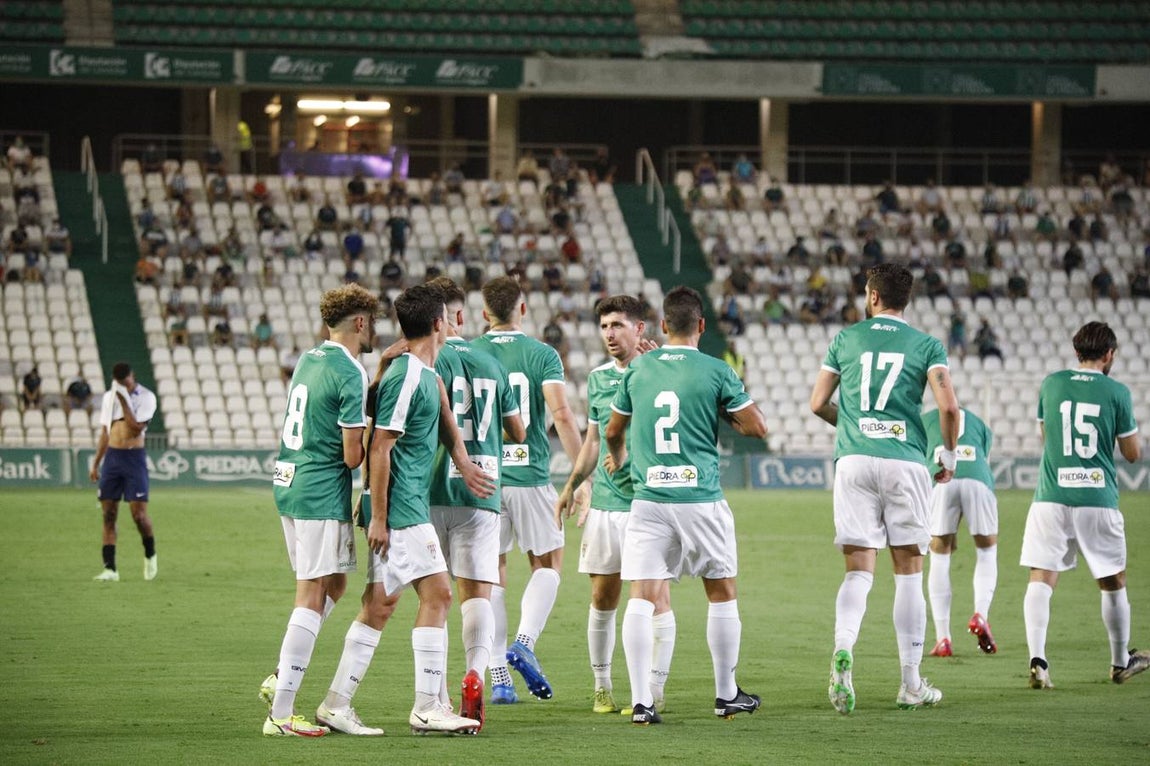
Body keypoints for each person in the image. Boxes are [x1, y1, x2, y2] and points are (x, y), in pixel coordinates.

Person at [312, 283, 495, 736]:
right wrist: (378, 516)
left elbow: (446, 419)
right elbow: (380, 448)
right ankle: (428, 706)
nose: (454, 323)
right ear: (440, 324)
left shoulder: (423, 374)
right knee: (439, 596)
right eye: (450, 317)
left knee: (380, 603)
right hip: (401, 508)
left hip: (397, 505)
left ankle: (336, 703)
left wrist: (464, 462)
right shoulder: (409, 374)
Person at [604, 286, 766, 725]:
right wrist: (721, 410)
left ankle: (641, 703)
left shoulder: (637, 371)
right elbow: (757, 428)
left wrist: (618, 460)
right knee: (721, 590)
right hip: (700, 499)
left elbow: (613, 431)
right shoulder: (715, 370)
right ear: (701, 325)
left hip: (649, 499)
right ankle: (726, 693)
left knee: (640, 596)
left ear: (661, 326)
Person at [809, 263, 961, 714]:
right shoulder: (926, 345)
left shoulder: (846, 339)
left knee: (858, 571)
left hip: (854, 461)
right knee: (909, 571)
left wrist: (853, 428)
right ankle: (911, 683)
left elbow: (817, 403)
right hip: (906, 462)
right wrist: (947, 455)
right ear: (905, 300)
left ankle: (843, 651)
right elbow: (949, 407)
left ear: (872, 296)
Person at [259, 284, 378, 737]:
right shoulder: (350, 371)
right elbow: (352, 456)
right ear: (361, 322)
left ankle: (281, 673)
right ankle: (282, 713)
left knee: (335, 583)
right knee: (310, 593)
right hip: (318, 490)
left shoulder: (310, 358)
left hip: (288, 482)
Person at [554, 295, 675, 715]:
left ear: (640, 329)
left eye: (618, 325)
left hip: (649, 503)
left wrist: (659, 368)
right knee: (603, 597)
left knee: (655, 597)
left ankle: (653, 691)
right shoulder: (598, 379)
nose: (609, 333)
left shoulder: (660, 372)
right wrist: (573, 484)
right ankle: (602, 687)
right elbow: (591, 440)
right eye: (605, 326)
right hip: (606, 504)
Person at [471, 276, 585, 704]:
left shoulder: (468, 351)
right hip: (531, 476)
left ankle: (498, 675)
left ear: (484, 314)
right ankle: (523, 643)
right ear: (522, 309)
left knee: (491, 572)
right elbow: (562, 415)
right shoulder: (541, 354)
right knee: (549, 562)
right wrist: (580, 477)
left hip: (483, 479)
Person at [1020, 322, 1148, 690]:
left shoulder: (1051, 383)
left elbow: (1048, 438)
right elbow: (1133, 454)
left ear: (1077, 352)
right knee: (1113, 581)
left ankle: (1038, 661)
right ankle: (1120, 662)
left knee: (1041, 577)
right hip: (1097, 498)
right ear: (1109, 354)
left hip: (1050, 496)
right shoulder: (1117, 392)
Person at [426, 276, 526, 729]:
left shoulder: (425, 359)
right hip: (481, 491)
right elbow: (518, 431)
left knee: (434, 599)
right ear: (461, 316)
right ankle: (475, 675)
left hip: (428, 491)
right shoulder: (489, 361)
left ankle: (437, 694)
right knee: (477, 592)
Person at [923, 407, 999, 658]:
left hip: (942, 481)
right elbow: (984, 457)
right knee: (986, 551)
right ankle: (981, 615)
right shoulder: (979, 422)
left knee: (939, 555)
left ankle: (943, 638)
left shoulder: (926, 420)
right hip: (978, 479)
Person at [89, 363, 159, 583]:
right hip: (113, 457)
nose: (124, 386)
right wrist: (96, 463)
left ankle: (150, 553)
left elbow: (135, 428)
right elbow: (105, 431)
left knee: (138, 515)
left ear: (133, 376)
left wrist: (123, 399)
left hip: (133, 458)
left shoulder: (146, 397)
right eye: (121, 384)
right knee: (108, 514)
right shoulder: (109, 396)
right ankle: (110, 569)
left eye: (126, 382)